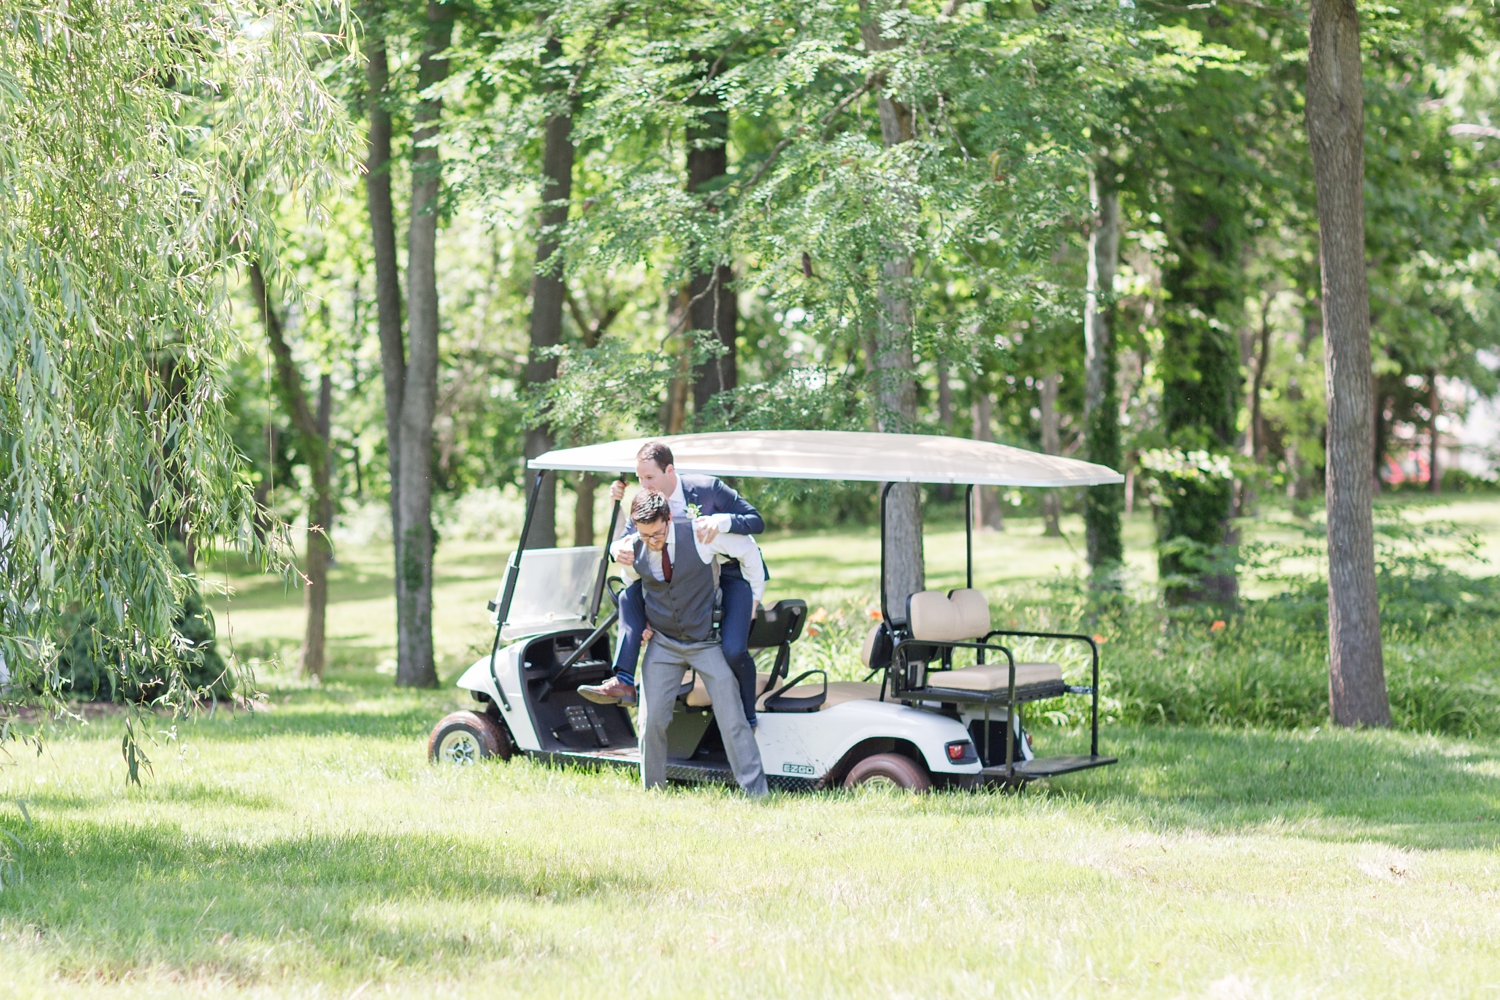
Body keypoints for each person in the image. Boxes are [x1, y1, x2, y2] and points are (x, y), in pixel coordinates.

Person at [578, 440, 766, 725]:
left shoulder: (707, 489)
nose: (644, 484)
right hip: (673, 579)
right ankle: (624, 679)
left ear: (670, 470)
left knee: (734, 649)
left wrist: (721, 522)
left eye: (650, 477)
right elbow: (624, 542)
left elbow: (756, 522)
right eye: (640, 478)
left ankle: (749, 716)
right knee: (629, 596)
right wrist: (618, 550)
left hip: (726, 574)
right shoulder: (646, 502)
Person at [609, 489, 768, 795]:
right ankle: (653, 792)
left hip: (705, 640)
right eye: (645, 535)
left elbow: (749, 550)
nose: (652, 542)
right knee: (651, 720)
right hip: (664, 643)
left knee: (732, 718)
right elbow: (631, 583)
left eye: (657, 534)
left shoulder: (699, 534)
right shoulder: (633, 547)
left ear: (668, 519)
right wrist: (640, 622)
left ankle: (757, 793)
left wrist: (755, 599)